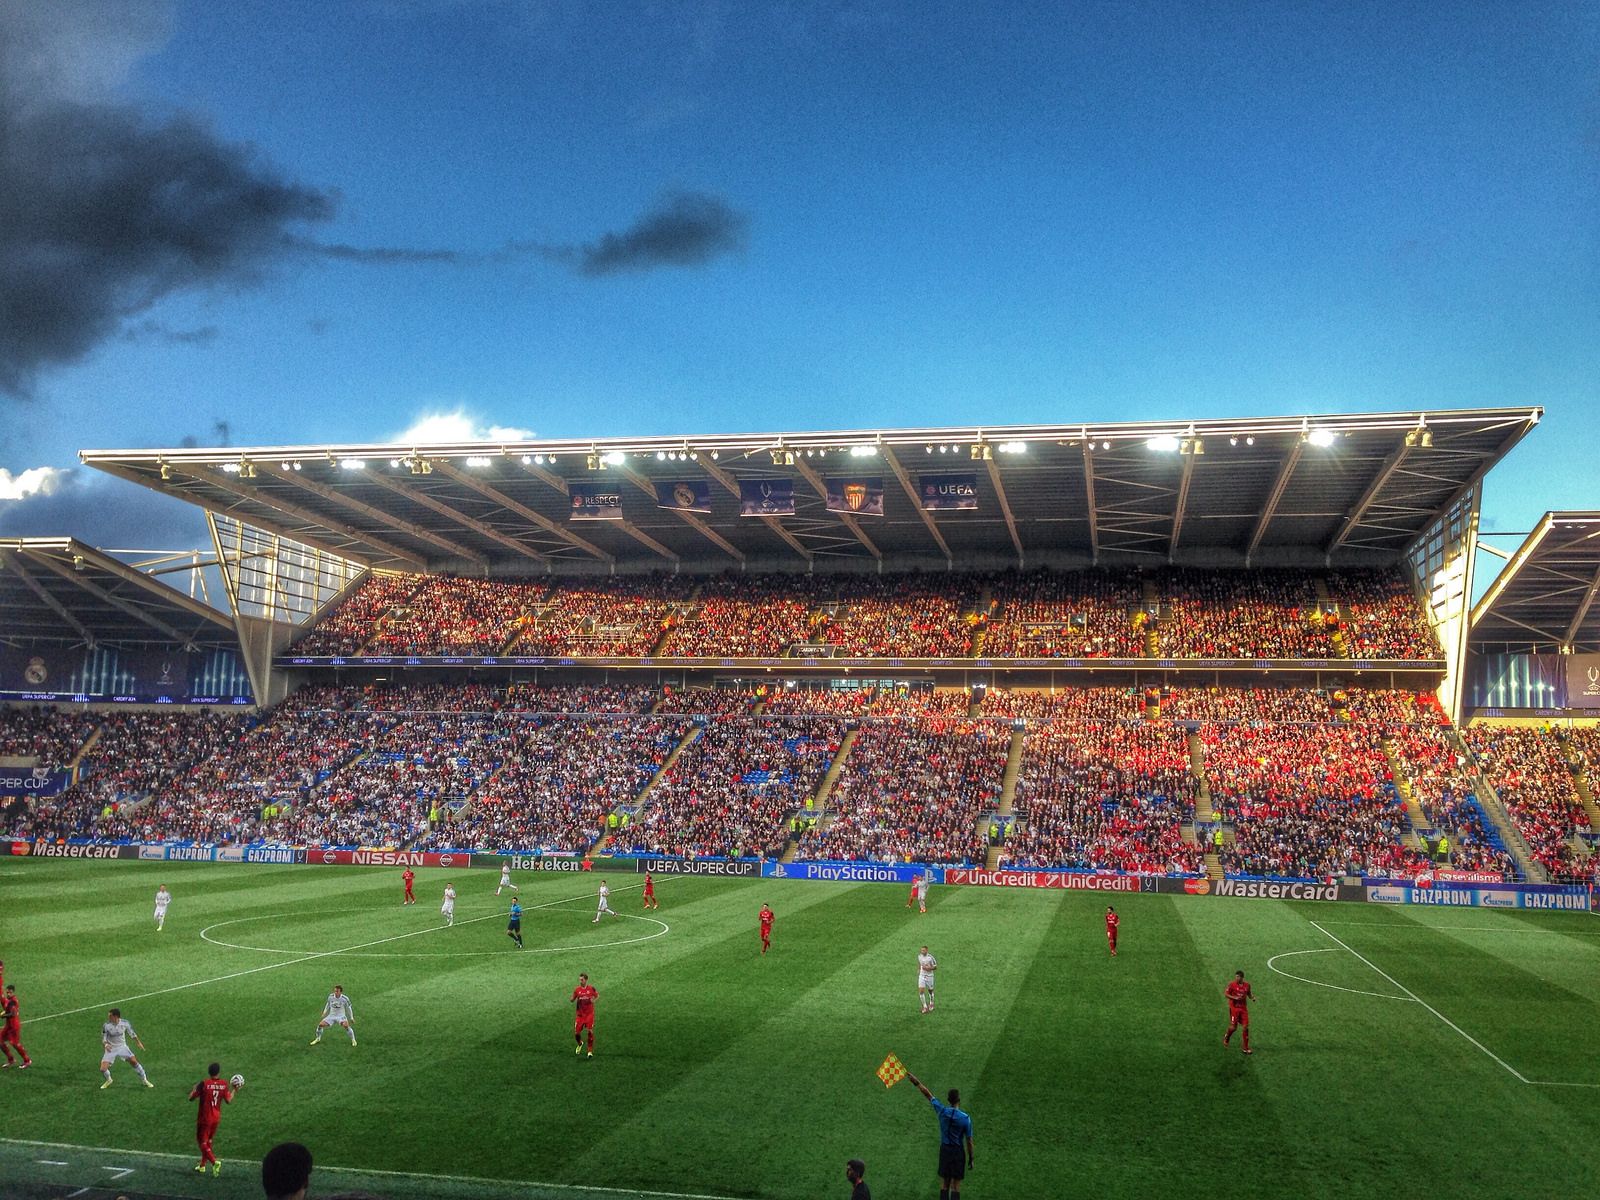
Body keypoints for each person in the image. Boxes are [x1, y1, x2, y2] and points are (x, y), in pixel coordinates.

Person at [906, 1071, 973, 1199]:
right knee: (955, 1186)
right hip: (958, 1152)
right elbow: (969, 1141)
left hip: (945, 1151)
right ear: (959, 1100)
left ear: (948, 1100)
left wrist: (916, 1082)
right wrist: (971, 1158)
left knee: (945, 1184)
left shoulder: (942, 1112)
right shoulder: (966, 1118)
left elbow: (928, 1095)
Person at [188, 1061, 237, 1176]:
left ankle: (214, 1162)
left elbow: (191, 1098)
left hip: (205, 1118)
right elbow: (228, 1100)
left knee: (202, 1142)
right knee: (209, 1141)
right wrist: (235, 1090)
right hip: (216, 1117)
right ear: (218, 1072)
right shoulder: (224, 1084)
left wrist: (194, 1089)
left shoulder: (204, 1083)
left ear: (209, 1072)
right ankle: (202, 1166)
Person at [100, 1008, 153, 1088]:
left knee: (134, 1062)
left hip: (122, 1047)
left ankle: (144, 1080)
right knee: (103, 1069)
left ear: (116, 1016)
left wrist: (138, 1043)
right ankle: (109, 1080)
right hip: (111, 1049)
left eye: (110, 1016)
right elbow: (104, 1038)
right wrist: (106, 1045)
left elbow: (132, 1034)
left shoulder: (125, 1023)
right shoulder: (106, 1025)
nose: (109, 1018)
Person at [1224, 970, 1255, 1055]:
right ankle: (1227, 1036)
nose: (1236, 978)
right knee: (1234, 1028)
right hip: (1234, 1009)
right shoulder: (1232, 985)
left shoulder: (1247, 985)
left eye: (1238, 977)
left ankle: (1245, 1047)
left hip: (1243, 1009)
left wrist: (1252, 997)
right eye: (1236, 976)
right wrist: (1234, 997)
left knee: (1246, 1027)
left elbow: (1248, 993)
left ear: (1242, 977)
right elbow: (1226, 994)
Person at [0, 984, 31, 1069]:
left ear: (13, 992)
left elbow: (13, 1014)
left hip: (14, 1026)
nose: (8, 994)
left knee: (14, 1043)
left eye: (10, 992)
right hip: (8, 1025)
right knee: (0, 1041)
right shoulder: (8, 1000)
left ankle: (27, 1060)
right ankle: (11, 1059)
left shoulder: (13, 1001)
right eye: (7, 992)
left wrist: (4, 1016)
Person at [572, 972, 597, 1058]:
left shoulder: (591, 989)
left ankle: (590, 1051)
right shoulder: (577, 990)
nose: (580, 981)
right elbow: (573, 998)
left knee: (590, 1031)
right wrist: (572, 999)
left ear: (586, 980)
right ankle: (580, 1043)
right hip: (580, 1015)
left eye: (582, 980)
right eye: (580, 980)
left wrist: (593, 1000)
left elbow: (596, 996)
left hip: (589, 1014)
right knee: (576, 1033)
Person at [918, 945, 938, 1014]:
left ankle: (931, 1002)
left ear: (927, 950)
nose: (922, 951)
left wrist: (929, 968)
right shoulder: (919, 956)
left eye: (923, 950)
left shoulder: (930, 958)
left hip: (929, 976)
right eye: (921, 950)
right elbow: (920, 963)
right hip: (922, 976)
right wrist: (918, 969)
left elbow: (935, 967)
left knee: (930, 991)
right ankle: (925, 1007)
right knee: (921, 991)